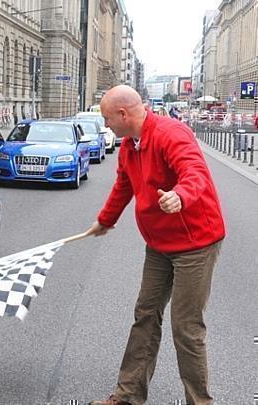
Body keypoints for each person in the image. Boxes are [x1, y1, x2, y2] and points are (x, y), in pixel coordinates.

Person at [87, 85, 225, 405]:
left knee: (186, 327)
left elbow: (195, 172)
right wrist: (105, 221)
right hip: (159, 244)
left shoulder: (170, 133)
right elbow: (123, 186)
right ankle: (128, 395)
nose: (106, 125)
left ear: (123, 115)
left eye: (107, 119)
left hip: (196, 243)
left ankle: (200, 402)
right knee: (146, 315)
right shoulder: (128, 146)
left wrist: (180, 195)